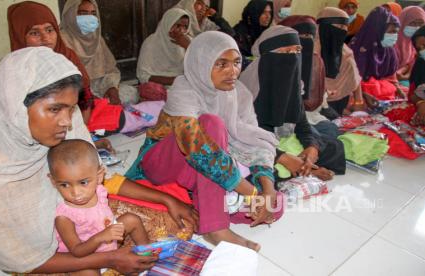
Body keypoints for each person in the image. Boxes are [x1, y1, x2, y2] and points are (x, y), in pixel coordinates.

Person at [0, 47, 198, 274]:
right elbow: (20, 260)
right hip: (44, 262)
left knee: (174, 223)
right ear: (15, 106)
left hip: (87, 223)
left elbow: (103, 180)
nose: (67, 121)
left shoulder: (65, 129)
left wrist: (167, 200)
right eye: (55, 109)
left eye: (71, 108)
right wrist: (110, 258)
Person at [127, 31, 285, 252]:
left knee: (275, 204)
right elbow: (196, 146)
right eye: (221, 64)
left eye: (236, 62)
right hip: (162, 164)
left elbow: (254, 140)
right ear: (201, 63)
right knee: (211, 124)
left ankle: (205, 206)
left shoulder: (240, 93)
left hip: (203, 168)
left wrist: (266, 191)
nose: (232, 71)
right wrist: (249, 192)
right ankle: (215, 228)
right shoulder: (184, 88)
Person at [8, 1, 163, 139]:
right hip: (58, 122)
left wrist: (111, 89)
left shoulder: (71, 51)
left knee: (128, 96)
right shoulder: (14, 70)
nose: (45, 37)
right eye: (34, 33)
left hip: (87, 105)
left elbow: (91, 89)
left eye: (49, 30)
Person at [240, 25, 345, 180]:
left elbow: (302, 125)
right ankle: (306, 169)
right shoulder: (246, 86)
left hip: (282, 140)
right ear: (268, 54)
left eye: (297, 51)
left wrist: (312, 148)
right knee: (257, 168)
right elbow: (242, 137)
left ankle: (303, 167)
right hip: (256, 146)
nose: (293, 57)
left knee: (335, 147)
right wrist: (283, 157)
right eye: (286, 51)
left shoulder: (292, 82)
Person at [49, 139, 149, 276]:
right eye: (65, 185)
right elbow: (77, 251)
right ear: (53, 182)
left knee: (131, 219)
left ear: (99, 176)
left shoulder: (99, 191)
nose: (75, 193)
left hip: (109, 241)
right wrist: (100, 237)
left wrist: (108, 234)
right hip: (87, 257)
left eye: (83, 182)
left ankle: (146, 257)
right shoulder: (64, 217)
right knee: (87, 273)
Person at [60, 0, 137, 105]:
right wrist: (87, 96)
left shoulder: (97, 38)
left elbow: (110, 69)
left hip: (99, 87)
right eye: (83, 13)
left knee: (131, 93)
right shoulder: (61, 41)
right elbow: (62, 81)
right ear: (71, 14)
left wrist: (111, 89)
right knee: (78, 106)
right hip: (75, 91)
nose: (90, 18)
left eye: (93, 13)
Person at [279, 15, 340, 139]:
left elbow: (318, 100)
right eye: (303, 36)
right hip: (281, 119)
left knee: (331, 131)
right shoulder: (274, 60)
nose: (308, 41)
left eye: (311, 36)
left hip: (310, 115)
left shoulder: (316, 61)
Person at [315, 7, 364, 116]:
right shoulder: (311, 52)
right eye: (340, 26)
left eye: (346, 27)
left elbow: (355, 80)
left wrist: (358, 103)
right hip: (314, 105)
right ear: (324, 26)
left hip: (341, 102)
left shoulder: (346, 52)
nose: (344, 31)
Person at [136, 8, 191, 101]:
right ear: (167, 23)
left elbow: (199, 69)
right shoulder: (151, 42)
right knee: (150, 90)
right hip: (160, 86)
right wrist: (174, 81)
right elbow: (143, 75)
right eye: (177, 25)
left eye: (185, 27)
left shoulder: (187, 41)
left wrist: (188, 46)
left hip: (182, 84)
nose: (181, 30)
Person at [349, 6, 402, 101]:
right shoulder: (356, 49)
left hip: (384, 92)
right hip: (358, 92)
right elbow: (350, 81)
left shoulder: (389, 50)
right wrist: (363, 94)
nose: (394, 36)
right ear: (378, 30)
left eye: (396, 32)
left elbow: (392, 78)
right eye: (391, 32)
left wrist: (398, 89)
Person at [233, 0, 273, 67]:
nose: (268, 16)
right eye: (263, 12)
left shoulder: (266, 31)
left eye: (270, 12)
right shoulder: (239, 32)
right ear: (253, 13)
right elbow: (238, 59)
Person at [394, 6, 425, 83]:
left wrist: (406, 75)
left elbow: (412, 64)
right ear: (402, 22)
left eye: (421, 23)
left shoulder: (418, 44)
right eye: (412, 23)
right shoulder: (390, 43)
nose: (417, 27)